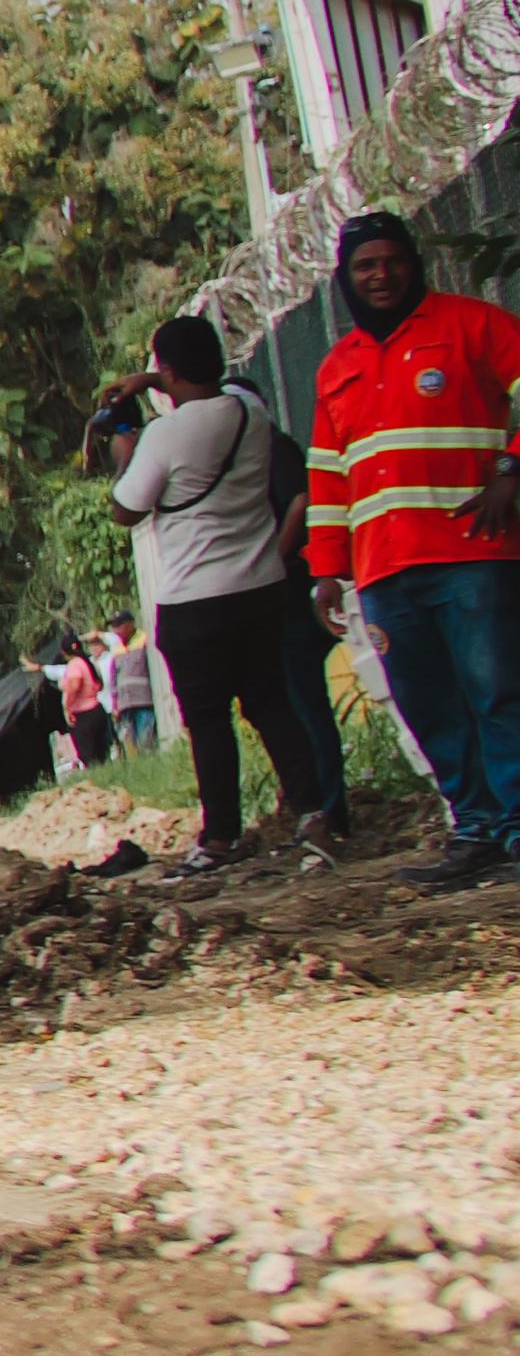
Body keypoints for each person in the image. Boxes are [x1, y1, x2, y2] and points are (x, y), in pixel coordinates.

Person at [306, 210, 520, 887]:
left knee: (498, 692)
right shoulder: (337, 367)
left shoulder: (472, 325)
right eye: (365, 265)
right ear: (346, 277)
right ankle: (477, 828)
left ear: (413, 262)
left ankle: (516, 825)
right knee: (427, 703)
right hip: (385, 571)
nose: (381, 274)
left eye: (391, 260)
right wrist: (326, 573)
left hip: (473, 554)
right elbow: (327, 475)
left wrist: (511, 470)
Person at [101, 313, 341, 873]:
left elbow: (125, 510)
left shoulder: (164, 436)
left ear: (166, 368)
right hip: (261, 588)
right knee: (273, 705)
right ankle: (314, 812)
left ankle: (220, 837)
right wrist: (156, 382)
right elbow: (206, 388)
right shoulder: (250, 414)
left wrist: (123, 454)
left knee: (208, 720)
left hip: (193, 599)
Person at [48, 631, 112, 766]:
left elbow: (75, 683)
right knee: (103, 754)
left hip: (83, 715)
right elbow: (99, 685)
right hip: (97, 709)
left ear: (64, 652)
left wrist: (67, 706)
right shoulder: (88, 662)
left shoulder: (74, 665)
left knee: (89, 756)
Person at [102, 618, 160, 750]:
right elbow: (113, 679)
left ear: (130, 624)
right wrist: (115, 704)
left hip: (143, 700)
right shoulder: (117, 649)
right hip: (125, 704)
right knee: (132, 745)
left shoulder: (144, 640)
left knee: (147, 740)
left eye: (119, 625)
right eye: (114, 627)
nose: (116, 630)